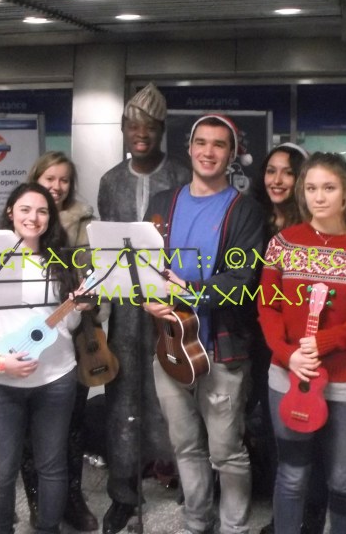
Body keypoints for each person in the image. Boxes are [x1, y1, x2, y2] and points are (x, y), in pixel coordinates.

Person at [143, 114, 264, 534]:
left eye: (219, 144)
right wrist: (147, 298)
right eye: (201, 142)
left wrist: (187, 291)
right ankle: (197, 522)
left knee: (226, 452)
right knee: (185, 445)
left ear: (231, 154)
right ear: (190, 148)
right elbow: (143, 265)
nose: (208, 152)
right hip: (169, 345)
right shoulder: (162, 203)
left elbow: (242, 280)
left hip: (220, 349)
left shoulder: (245, 210)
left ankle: (234, 527)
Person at [257, 151, 346, 534]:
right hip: (290, 375)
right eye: (311, 188)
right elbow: (268, 307)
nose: (319, 197)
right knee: (292, 474)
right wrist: (289, 355)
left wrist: (324, 341)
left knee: (343, 479)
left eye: (329, 188)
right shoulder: (283, 244)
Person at [0, 182, 95, 534]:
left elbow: (67, 325)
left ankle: (49, 528)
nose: (33, 218)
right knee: (0, 470)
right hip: (2, 381)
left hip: (57, 378)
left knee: (51, 465)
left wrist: (77, 306)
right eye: (25, 209)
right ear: (10, 212)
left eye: (42, 211)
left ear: (50, 217)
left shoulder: (60, 261)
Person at [97, 83, 191, 534]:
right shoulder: (110, 181)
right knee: (122, 393)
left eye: (150, 127)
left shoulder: (181, 175)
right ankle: (123, 493)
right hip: (123, 305)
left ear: (161, 131)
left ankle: (186, 479)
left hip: (170, 303)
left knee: (176, 387)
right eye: (133, 126)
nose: (141, 134)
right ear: (123, 129)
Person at [18, 151, 99, 531]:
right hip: (29, 338)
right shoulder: (23, 221)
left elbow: (98, 275)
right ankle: (38, 499)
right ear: (36, 178)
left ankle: (72, 497)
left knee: (72, 424)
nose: (57, 186)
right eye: (49, 178)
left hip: (75, 332)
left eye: (64, 179)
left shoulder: (86, 222)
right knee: (30, 429)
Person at [252, 143, 327, 534]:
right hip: (260, 338)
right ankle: (282, 515)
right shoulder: (256, 219)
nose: (277, 180)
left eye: (287, 172)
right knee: (273, 430)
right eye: (271, 170)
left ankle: (311, 517)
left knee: (308, 430)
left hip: (304, 343)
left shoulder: (313, 228)